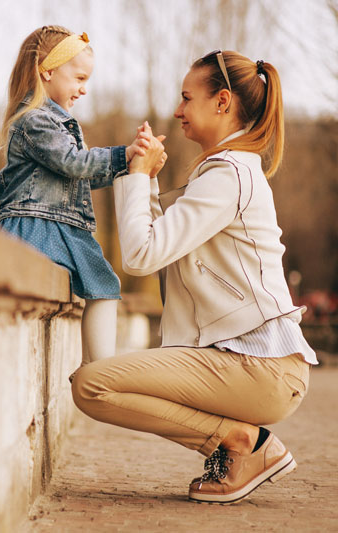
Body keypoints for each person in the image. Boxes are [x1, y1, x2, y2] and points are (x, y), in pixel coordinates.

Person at [71, 50, 318, 504]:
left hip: (260, 367)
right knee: (92, 384)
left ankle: (242, 444)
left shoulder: (229, 175)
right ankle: (241, 444)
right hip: (250, 364)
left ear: (222, 102)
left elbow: (142, 255)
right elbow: (159, 241)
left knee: (93, 385)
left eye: (187, 98)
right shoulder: (222, 172)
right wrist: (144, 181)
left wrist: (137, 173)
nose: (177, 110)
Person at [0, 25, 156, 366]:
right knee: (104, 284)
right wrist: (123, 155)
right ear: (48, 71)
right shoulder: (35, 120)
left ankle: (97, 370)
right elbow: (72, 163)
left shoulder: (59, 122)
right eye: (79, 78)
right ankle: (98, 372)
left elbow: (77, 177)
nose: (83, 90)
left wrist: (133, 166)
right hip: (40, 225)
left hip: (59, 225)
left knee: (105, 284)